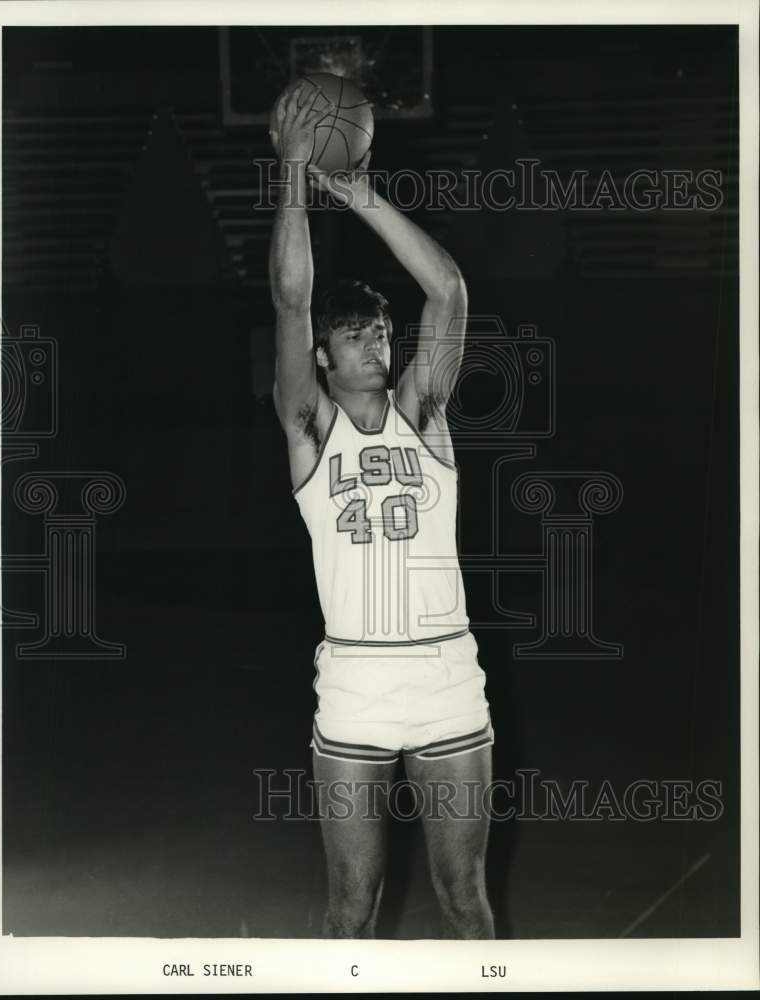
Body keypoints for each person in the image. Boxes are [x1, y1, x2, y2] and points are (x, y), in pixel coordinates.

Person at [269, 82, 494, 939]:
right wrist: (294, 171)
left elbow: (451, 291)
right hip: (357, 686)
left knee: (463, 896)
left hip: (445, 683)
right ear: (323, 357)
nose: (378, 342)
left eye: (382, 333)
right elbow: (291, 298)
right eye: (358, 333)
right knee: (350, 912)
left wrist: (361, 195)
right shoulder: (309, 430)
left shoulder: (424, 416)